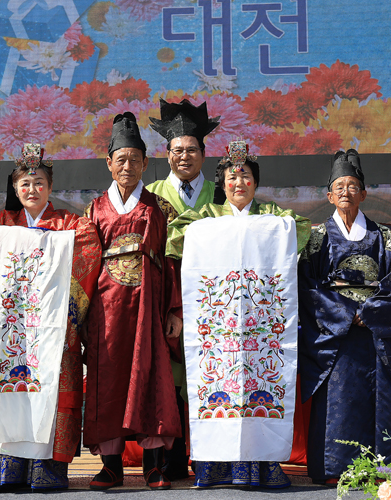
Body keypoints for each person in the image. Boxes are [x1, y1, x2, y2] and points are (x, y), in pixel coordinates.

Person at [0, 143, 102, 491]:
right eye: (24, 184)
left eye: (39, 183)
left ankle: (46, 468)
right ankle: (8, 469)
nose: (31, 190)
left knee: (51, 390)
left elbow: (88, 247)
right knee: (7, 390)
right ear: (15, 188)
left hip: (52, 327)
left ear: (50, 188)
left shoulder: (71, 226)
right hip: (9, 329)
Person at [166, 140, 311, 488]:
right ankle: (215, 463)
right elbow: (175, 236)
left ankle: (263, 461)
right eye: (232, 177)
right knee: (219, 383)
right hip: (219, 322)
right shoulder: (207, 216)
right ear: (223, 184)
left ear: (256, 183)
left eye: (246, 176)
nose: (239, 183)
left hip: (262, 320)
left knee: (263, 380)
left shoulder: (272, 216)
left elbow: (302, 229)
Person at [297, 149, 391, 485]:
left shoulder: (384, 237)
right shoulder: (317, 238)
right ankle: (335, 468)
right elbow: (309, 287)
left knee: (379, 400)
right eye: (339, 186)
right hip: (336, 337)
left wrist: (369, 312)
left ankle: (382, 469)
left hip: (375, 333)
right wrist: (348, 313)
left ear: (364, 193)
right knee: (339, 400)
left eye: (352, 186)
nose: (346, 191)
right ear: (329, 195)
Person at [83, 112, 183, 490]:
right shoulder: (94, 209)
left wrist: (174, 309)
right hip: (106, 310)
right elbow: (85, 264)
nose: (127, 166)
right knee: (108, 380)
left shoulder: (159, 209)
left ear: (145, 163)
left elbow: (170, 261)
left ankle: (154, 466)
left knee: (151, 375)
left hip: (148, 307)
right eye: (120, 159)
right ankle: (111, 466)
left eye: (135, 159)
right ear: (108, 163)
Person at [145, 98, 219, 479]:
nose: (185, 156)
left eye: (192, 149)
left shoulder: (223, 194)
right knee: (167, 378)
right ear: (167, 153)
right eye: (178, 150)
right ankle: (166, 462)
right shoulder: (151, 195)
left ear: (205, 153)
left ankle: (210, 458)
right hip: (162, 304)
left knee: (210, 377)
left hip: (213, 304)